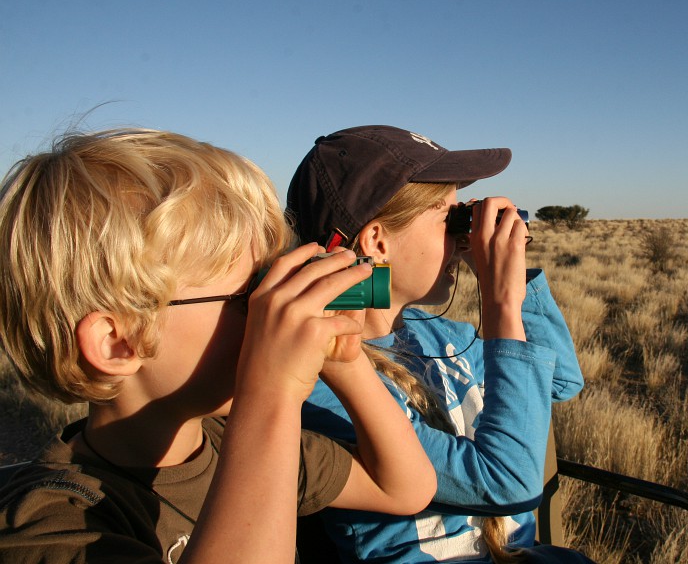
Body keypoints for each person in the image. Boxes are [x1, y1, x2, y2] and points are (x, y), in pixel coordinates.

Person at [0, 128, 437, 564]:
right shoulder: (53, 526)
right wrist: (273, 391)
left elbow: (405, 488)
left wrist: (345, 361)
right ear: (119, 343)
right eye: (250, 297)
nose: (272, 311)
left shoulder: (232, 440)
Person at [287, 125, 591, 563]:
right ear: (378, 241)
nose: (463, 235)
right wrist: (501, 302)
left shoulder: (444, 337)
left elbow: (561, 381)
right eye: (448, 219)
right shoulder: (327, 383)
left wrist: (513, 283)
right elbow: (507, 483)